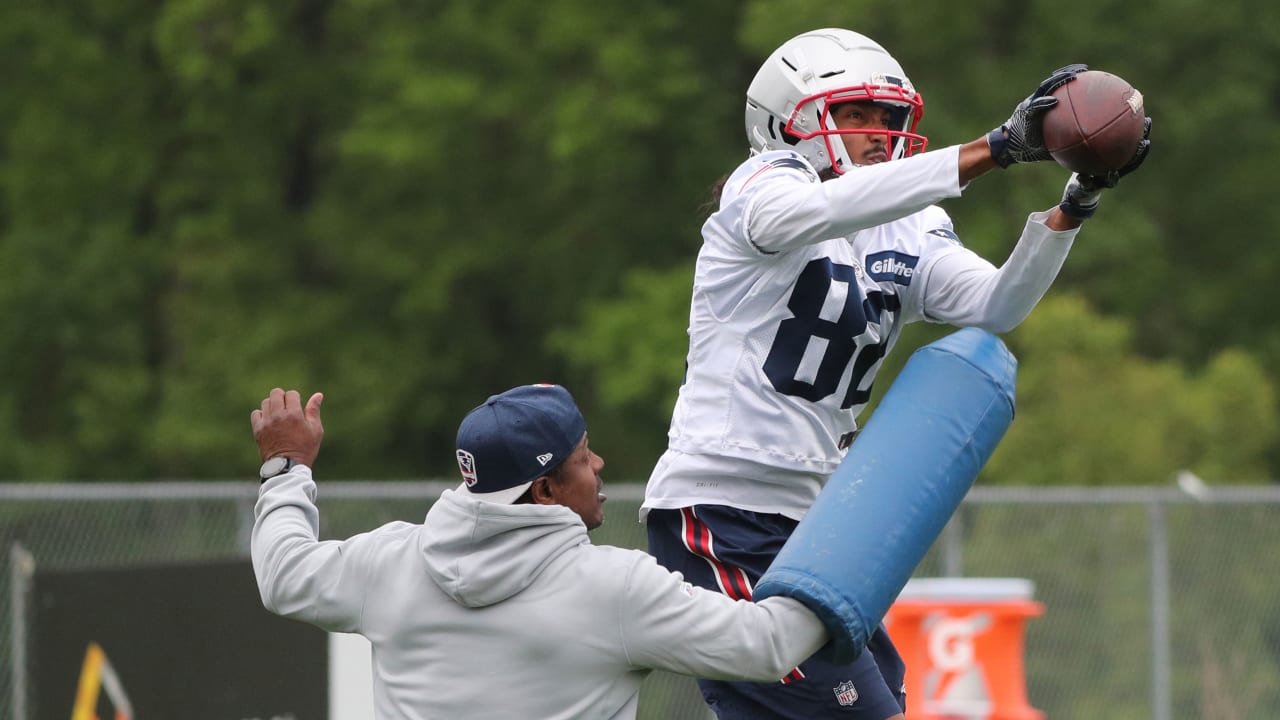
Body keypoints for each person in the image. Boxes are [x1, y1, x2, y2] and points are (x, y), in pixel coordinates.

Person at [641, 27, 1151, 720]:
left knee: (876, 695)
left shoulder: (909, 223)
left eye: (889, 117)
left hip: (823, 524)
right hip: (723, 507)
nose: (881, 132)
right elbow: (818, 211)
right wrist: (993, 149)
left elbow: (996, 306)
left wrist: (1077, 201)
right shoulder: (762, 185)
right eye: (857, 115)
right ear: (790, 120)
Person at [250, 383, 833, 720]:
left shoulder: (389, 562)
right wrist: (861, 521)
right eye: (583, 456)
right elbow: (771, 645)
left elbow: (282, 575)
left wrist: (285, 469)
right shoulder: (614, 588)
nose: (598, 464)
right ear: (545, 490)